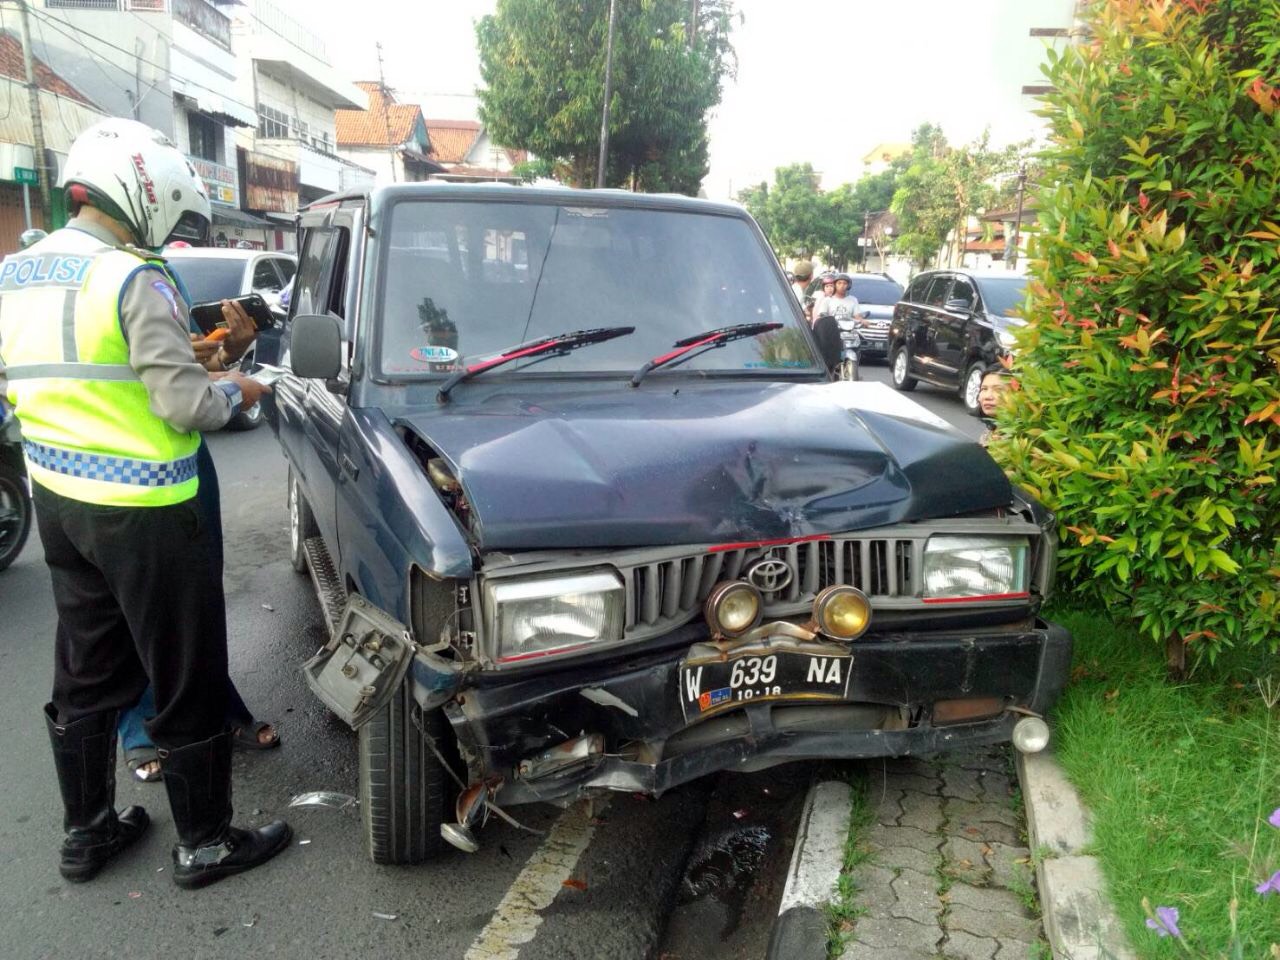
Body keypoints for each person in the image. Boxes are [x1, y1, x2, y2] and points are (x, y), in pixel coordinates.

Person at [0, 117, 290, 888]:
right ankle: (205, 842)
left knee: (88, 667)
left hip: (60, 504)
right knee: (185, 666)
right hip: (150, 508)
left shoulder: (18, 272)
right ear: (145, 195)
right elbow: (186, 407)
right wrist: (240, 385)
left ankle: (88, 832)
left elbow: (78, 372)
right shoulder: (134, 277)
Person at [977, 364, 1013, 446]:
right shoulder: (990, 431)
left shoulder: (1019, 437)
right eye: (984, 389)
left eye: (998, 390)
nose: (988, 396)